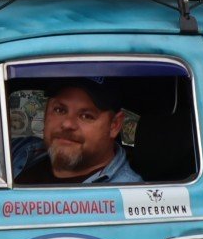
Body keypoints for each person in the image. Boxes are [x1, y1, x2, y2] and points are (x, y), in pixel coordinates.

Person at [12, 79, 142, 185]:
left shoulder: (128, 197)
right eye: (59, 110)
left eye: (86, 116)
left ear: (114, 125)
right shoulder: (18, 151)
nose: (67, 123)